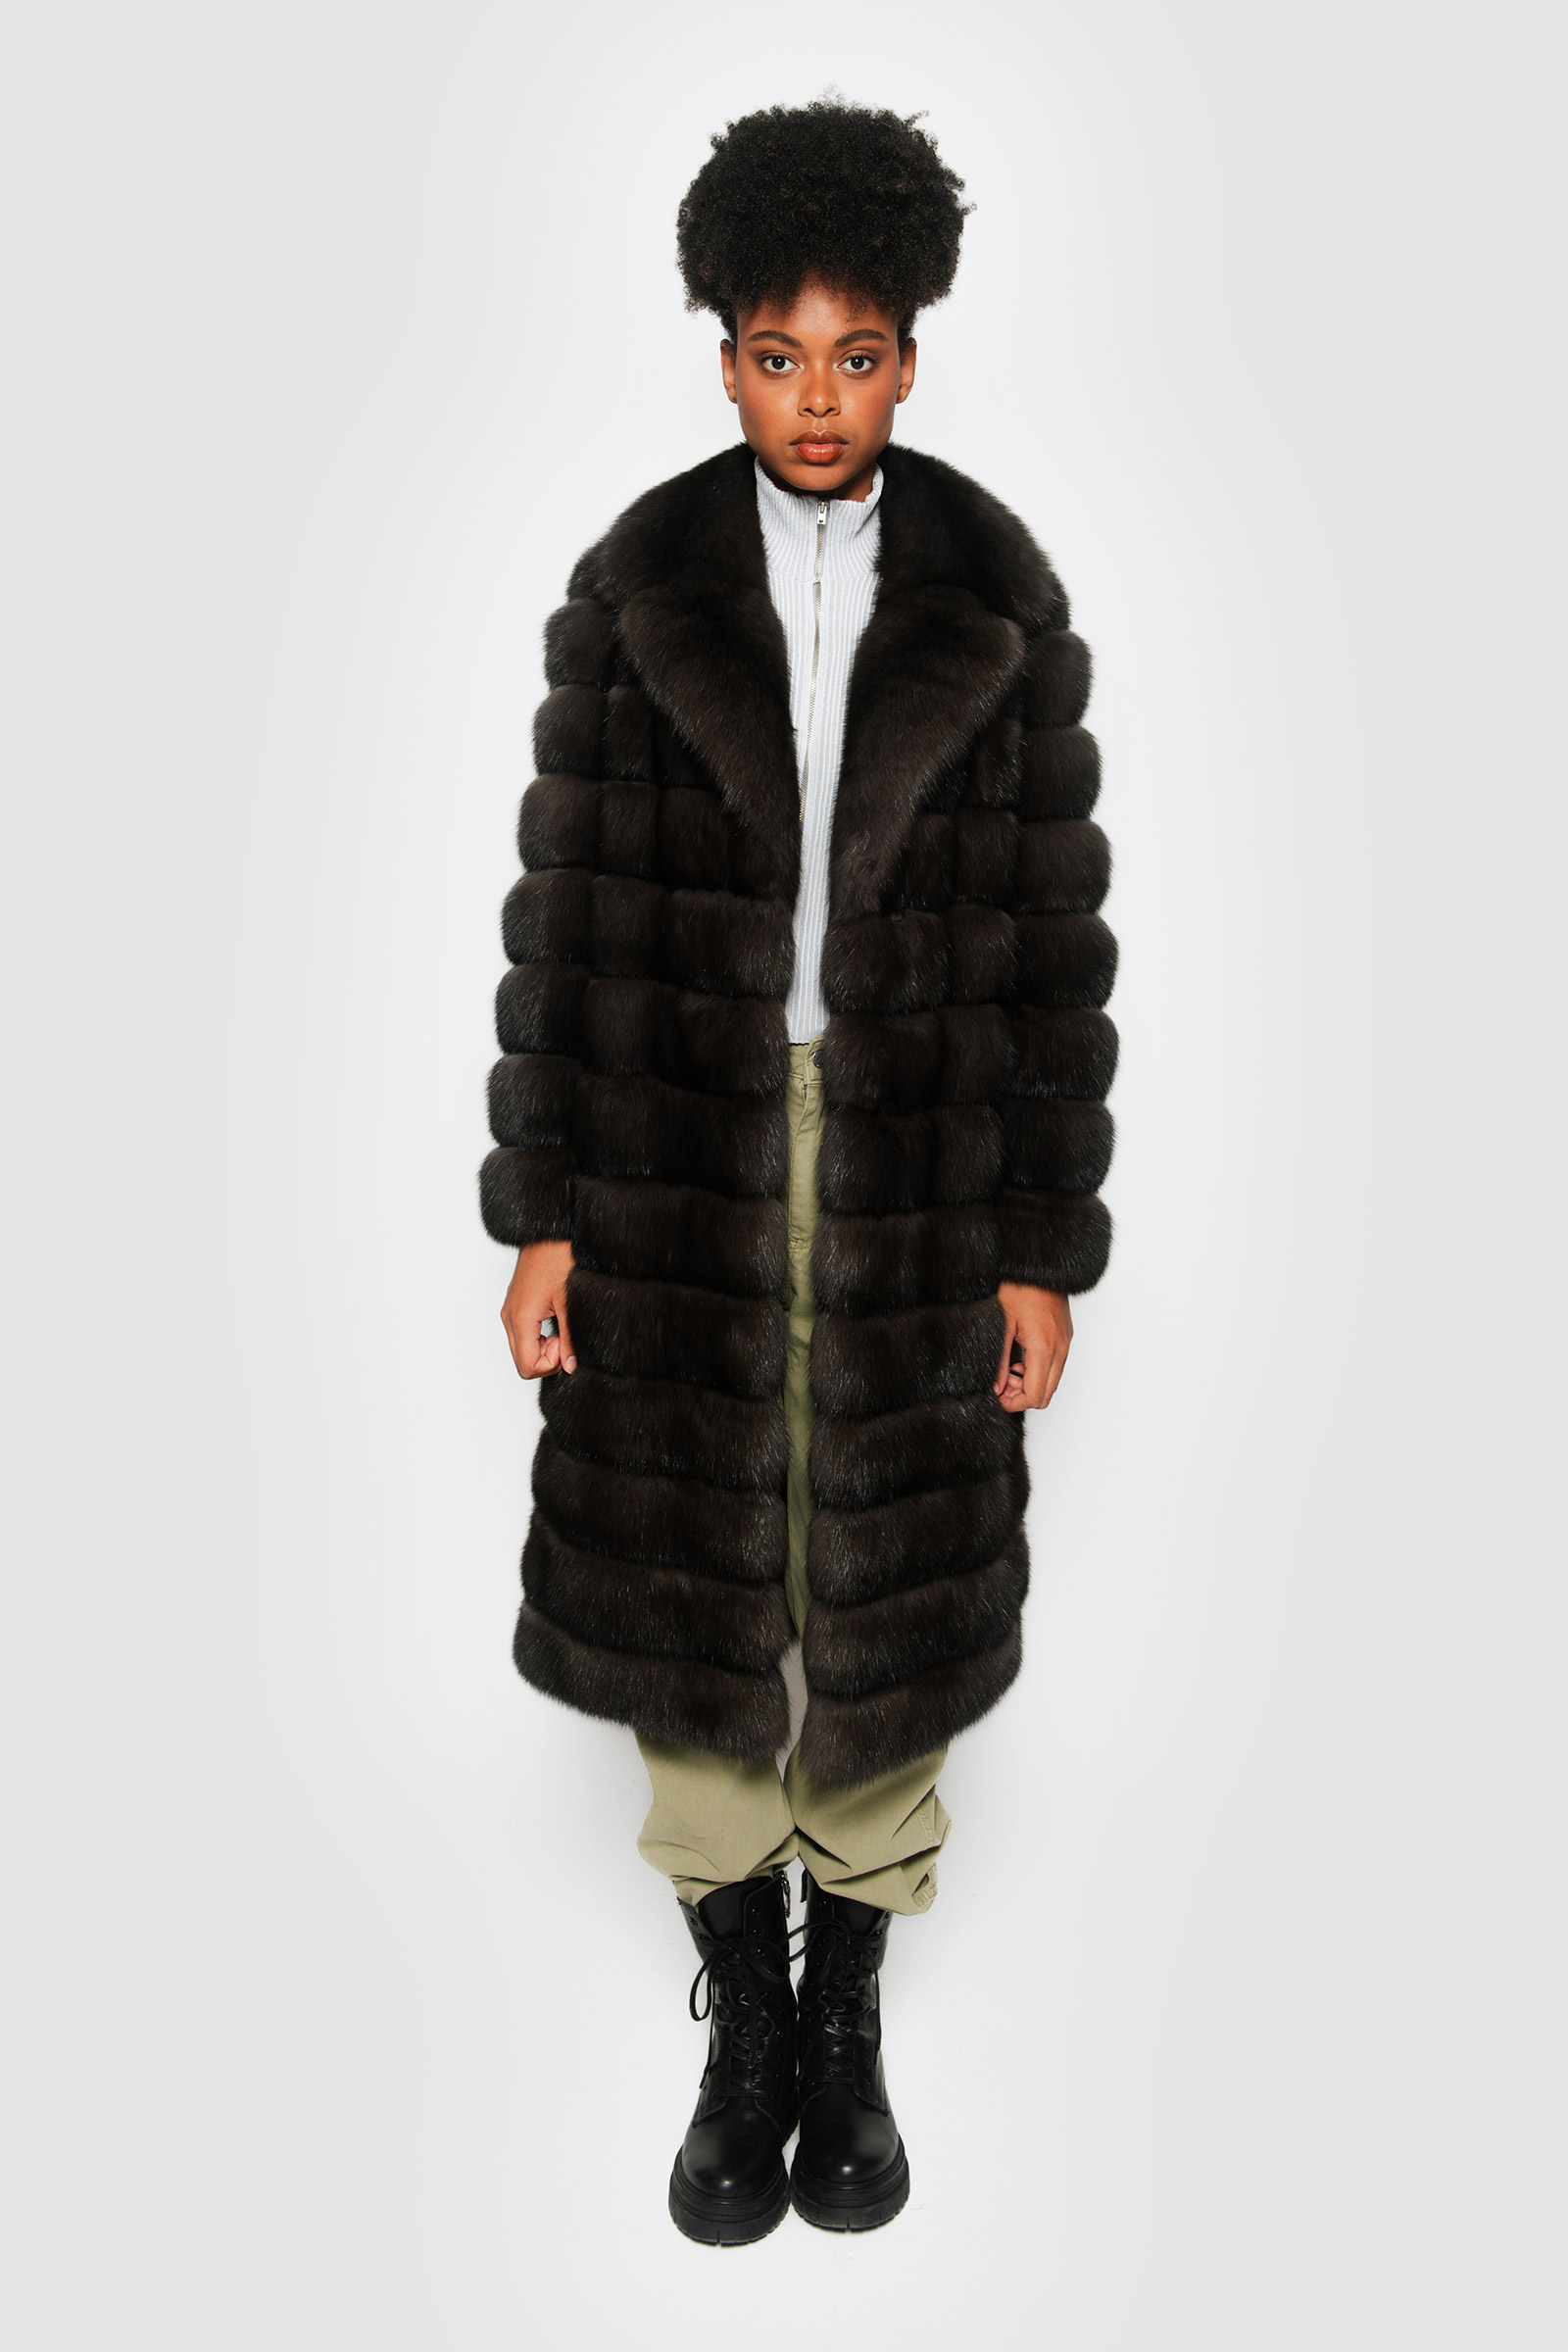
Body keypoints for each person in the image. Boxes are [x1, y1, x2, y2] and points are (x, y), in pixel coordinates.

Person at [481, 99, 1116, 2244]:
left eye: (856, 356)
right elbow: (561, 923)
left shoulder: (998, 596)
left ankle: (844, 2010)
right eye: (777, 355)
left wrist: (1037, 1247)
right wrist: (542, 1211)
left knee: (884, 1567)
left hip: (918, 1151)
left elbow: (1055, 948)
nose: (817, 398)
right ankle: (739, 2020)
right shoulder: (637, 586)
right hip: (674, 1146)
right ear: (724, 351)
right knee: (687, 1566)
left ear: (912, 354)